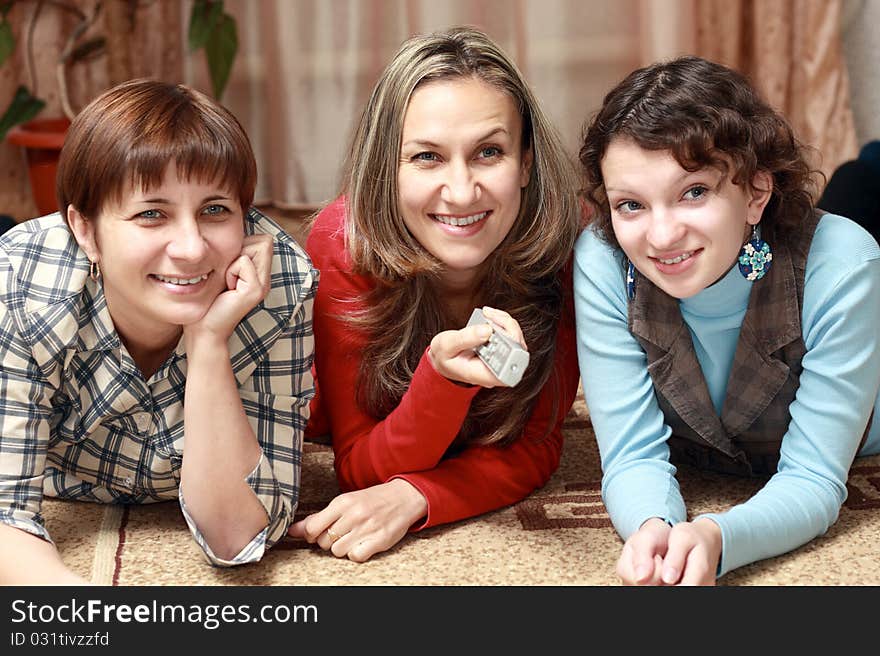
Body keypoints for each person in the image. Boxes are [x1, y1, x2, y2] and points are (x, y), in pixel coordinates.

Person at [574, 55, 880, 585]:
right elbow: (631, 456)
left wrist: (718, 536)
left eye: (694, 192)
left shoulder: (844, 263)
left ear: (756, 192)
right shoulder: (602, 259)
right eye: (631, 205)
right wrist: (653, 528)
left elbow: (813, 476)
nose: (661, 235)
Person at [0, 79, 317, 584]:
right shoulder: (22, 280)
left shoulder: (280, 285)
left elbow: (238, 536)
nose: (191, 249)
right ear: (85, 230)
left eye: (215, 210)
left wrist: (209, 341)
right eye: (152, 214)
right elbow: (4, 514)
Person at [288, 26, 583, 562]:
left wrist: (416, 495)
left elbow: (537, 444)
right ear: (387, 169)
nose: (462, 190)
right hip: (335, 414)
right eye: (427, 157)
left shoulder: (564, 243)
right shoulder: (341, 243)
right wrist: (443, 381)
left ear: (527, 163)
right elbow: (357, 464)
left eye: (489, 152)